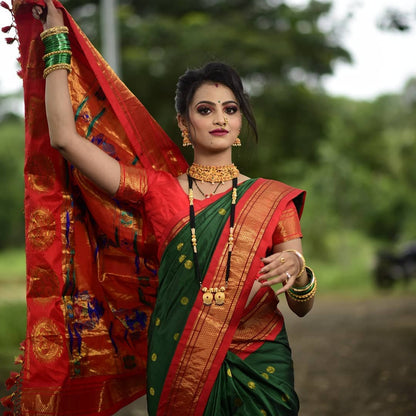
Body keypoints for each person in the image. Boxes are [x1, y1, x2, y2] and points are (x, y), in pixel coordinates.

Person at [7, 0, 315, 415]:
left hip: (261, 361)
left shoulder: (273, 200)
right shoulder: (155, 189)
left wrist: (299, 274)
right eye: (205, 109)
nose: (219, 118)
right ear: (184, 124)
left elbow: (301, 304)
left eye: (230, 109)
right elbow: (65, 138)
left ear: (240, 122)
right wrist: (55, 35)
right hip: (179, 361)